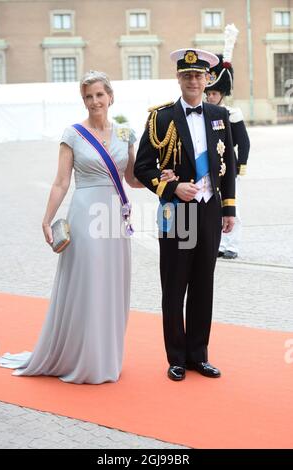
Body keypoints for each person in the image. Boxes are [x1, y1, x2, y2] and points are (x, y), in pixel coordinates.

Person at [0, 70, 176, 384]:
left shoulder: (124, 134)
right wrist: (46, 217)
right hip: (85, 217)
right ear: (84, 100)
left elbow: (132, 179)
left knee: (111, 285)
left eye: (99, 95)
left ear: (110, 97)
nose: (95, 101)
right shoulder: (73, 134)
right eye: (89, 96)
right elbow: (61, 182)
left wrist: (162, 178)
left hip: (114, 220)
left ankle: (105, 356)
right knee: (88, 283)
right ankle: (80, 355)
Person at [134, 49, 236, 381]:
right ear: (179, 79)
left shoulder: (219, 114)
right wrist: (171, 188)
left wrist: (229, 209)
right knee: (175, 285)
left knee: (203, 285)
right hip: (176, 212)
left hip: (208, 210)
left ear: (207, 80)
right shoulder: (160, 118)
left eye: (198, 76)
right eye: (187, 75)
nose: (193, 81)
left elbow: (229, 166)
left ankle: (198, 355)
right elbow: (143, 167)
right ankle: (176, 357)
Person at [205, 24, 250, 260]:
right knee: (214, 206)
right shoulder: (204, 113)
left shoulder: (232, 113)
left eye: (214, 93)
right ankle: (220, 243)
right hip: (210, 166)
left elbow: (244, 142)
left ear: (222, 93)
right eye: (208, 92)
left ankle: (233, 244)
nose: (210, 96)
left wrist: (241, 167)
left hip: (229, 166)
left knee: (233, 206)